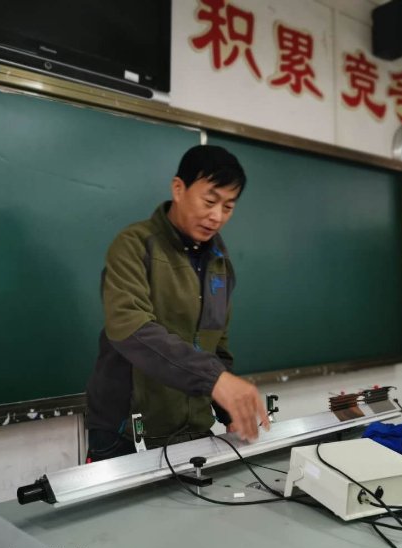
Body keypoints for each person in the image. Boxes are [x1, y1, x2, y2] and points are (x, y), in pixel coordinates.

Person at [85, 145, 269, 461]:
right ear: (178, 189)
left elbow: (217, 347)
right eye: (209, 201)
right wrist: (215, 380)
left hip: (194, 431)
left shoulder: (220, 262)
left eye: (228, 207)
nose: (217, 216)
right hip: (126, 434)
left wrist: (230, 411)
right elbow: (130, 328)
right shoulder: (134, 246)